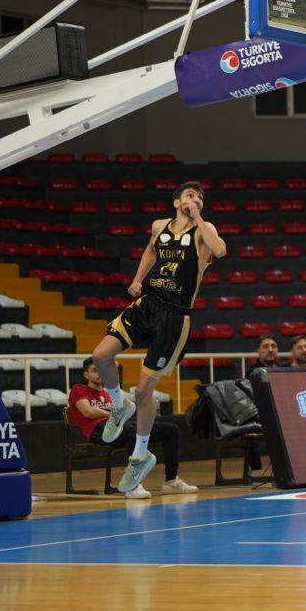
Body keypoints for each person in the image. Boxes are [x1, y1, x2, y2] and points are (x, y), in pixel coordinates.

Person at [94, 181, 226, 495]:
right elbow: (151, 251)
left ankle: (140, 455)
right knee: (101, 355)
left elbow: (220, 250)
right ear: (176, 200)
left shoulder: (203, 232)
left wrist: (198, 219)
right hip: (148, 303)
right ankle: (117, 406)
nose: (196, 200)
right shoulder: (159, 226)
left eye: (200, 198)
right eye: (191, 195)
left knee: (143, 392)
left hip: (175, 316)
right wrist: (138, 280)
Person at [66, 359, 197, 497]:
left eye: (101, 370)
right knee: (132, 432)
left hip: (120, 425)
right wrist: (114, 414)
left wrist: (120, 415)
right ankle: (134, 486)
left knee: (170, 430)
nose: (99, 373)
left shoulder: (110, 393)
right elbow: (88, 412)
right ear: (86, 374)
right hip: (100, 431)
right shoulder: (79, 389)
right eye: (94, 370)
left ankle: (171, 481)